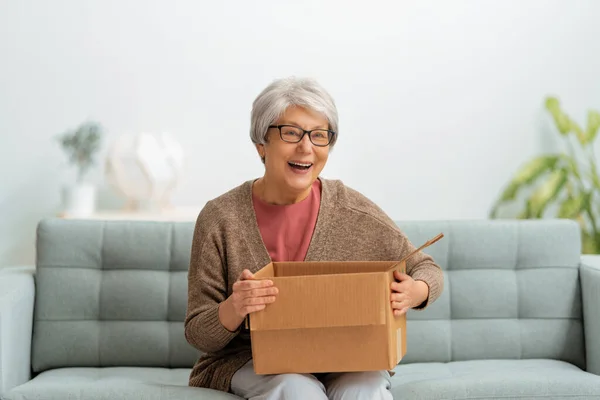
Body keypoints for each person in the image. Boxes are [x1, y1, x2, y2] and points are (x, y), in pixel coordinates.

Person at [184, 76, 444, 399]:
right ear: (260, 144)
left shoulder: (353, 211)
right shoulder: (220, 218)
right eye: (291, 132)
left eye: (319, 135)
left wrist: (415, 291)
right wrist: (236, 307)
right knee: (296, 388)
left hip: (343, 356)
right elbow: (198, 332)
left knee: (367, 388)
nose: (306, 147)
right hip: (250, 360)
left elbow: (427, 269)